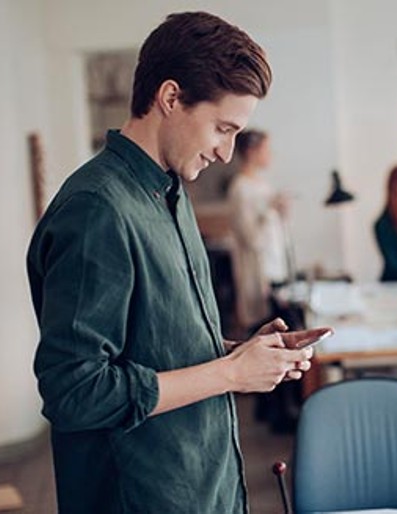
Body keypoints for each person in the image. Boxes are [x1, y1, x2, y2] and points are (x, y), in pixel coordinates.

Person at [26, 12, 313, 513]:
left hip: (206, 485)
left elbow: (156, 342)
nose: (226, 153)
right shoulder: (97, 210)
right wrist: (230, 375)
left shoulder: (172, 193)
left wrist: (242, 354)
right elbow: (75, 390)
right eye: (222, 129)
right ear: (171, 97)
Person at [227, 129, 290, 330]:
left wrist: (281, 211)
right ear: (252, 152)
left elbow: (275, 231)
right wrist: (270, 209)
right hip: (257, 272)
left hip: (275, 268)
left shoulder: (263, 184)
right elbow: (251, 238)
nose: (270, 155)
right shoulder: (240, 188)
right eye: (266, 149)